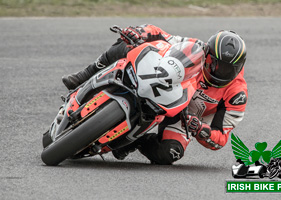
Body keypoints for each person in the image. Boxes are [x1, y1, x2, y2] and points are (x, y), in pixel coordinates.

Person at [62, 24, 247, 165]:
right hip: (167, 86)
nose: (219, 71)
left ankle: (136, 142)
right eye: (216, 64)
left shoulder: (237, 94)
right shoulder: (195, 48)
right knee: (127, 44)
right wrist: (139, 32)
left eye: (228, 69)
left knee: (170, 153)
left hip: (186, 117)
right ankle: (84, 76)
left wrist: (199, 129)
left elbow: (220, 137)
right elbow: (162, 35)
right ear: (207, 54)